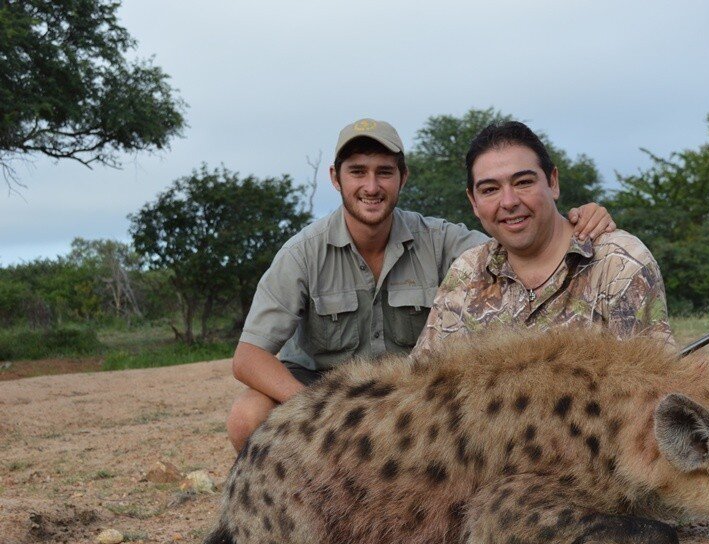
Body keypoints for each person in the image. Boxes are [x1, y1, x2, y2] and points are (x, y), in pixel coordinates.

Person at [227, 118, 615, 451]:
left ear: (403, 177)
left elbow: (515, 242)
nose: (372, 186)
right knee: (248, 415)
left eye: (384, 172)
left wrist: (575, 219)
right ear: (335, 178)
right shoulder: (302, 253)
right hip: (322, 390)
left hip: (411, 395)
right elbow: (248, 357)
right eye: (358, 171)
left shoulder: (442, 240)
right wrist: (323, 409)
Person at [413, 121, 674, 355]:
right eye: (490, 189)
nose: (509, 202)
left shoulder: (619, 264)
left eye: (523, 182)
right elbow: (422, 381)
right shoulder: (466, 272)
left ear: (553, 182)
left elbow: (650, 390)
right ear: (474, 202)